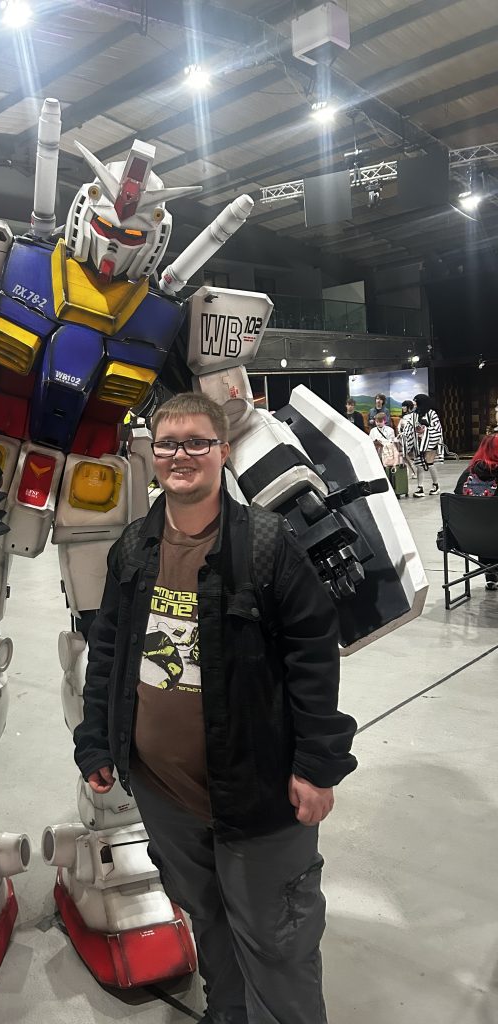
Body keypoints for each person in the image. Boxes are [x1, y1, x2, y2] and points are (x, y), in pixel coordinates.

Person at [74, 392, 358, 1024]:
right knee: (209, 923)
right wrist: (95, 739)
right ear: (152, 455)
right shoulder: (135, 547)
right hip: (164, 794)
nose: (182, 456)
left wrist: (317, 765)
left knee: (277, 944)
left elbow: (314, 657)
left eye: (198, 442)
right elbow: (109, 650)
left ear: (223, 451)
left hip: (258, 796)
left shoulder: (266, 544)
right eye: (168, 444)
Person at [454, 434, 498, 589]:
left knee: (482, 522)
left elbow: (457, 500)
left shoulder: (467, 473)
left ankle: (490, 573)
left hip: (467, 539)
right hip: (494, 536)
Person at [400, 393, 444, 498]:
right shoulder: (414, 415)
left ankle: (436, 485)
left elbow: (437, 429)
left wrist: (425, 429)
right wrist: (405, 434)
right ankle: (420, 487)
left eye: (416, 401)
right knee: (419, 465)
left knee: (430, 463)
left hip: (430, 442)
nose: (414, 404)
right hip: (418, 443)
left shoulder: (432, 413)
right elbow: (409, 427)